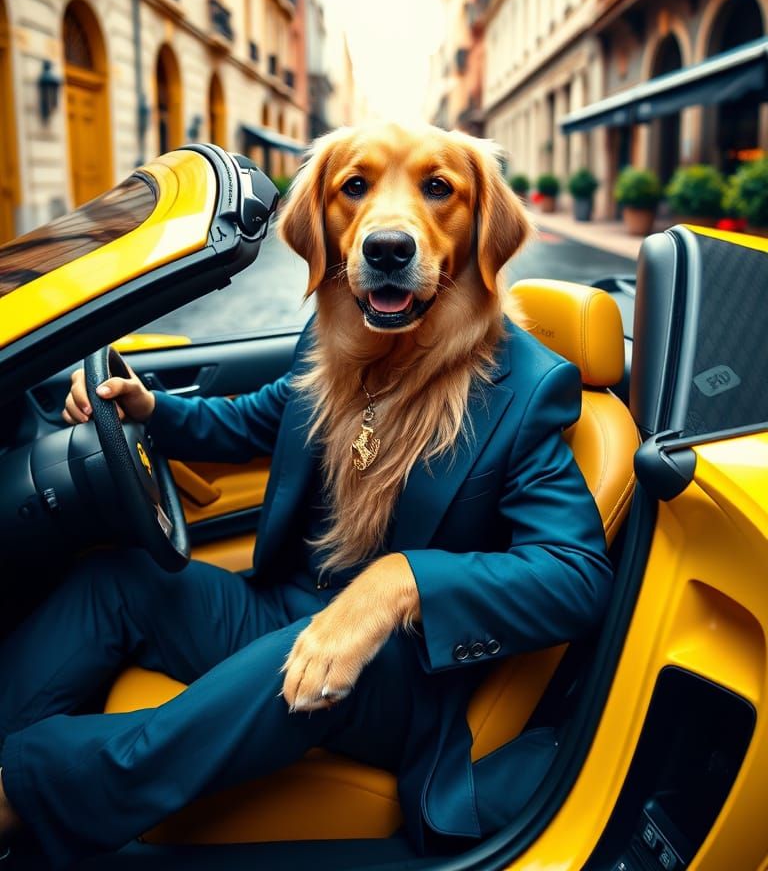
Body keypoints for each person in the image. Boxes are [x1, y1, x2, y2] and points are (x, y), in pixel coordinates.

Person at [0, 318, 613, 868]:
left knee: (308, 652)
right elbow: (257, 419)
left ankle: (22, 789)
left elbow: (574, 574)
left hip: (398, 672)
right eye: (354, 193)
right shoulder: (338, 330)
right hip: (284, 601)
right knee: (118, 578)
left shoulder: (528, 388)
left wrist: (400, 582)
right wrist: (150, 407)